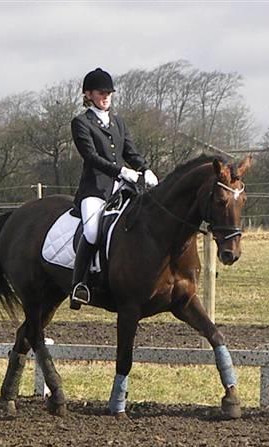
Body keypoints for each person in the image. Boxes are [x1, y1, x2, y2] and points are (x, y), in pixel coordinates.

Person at [69, 67, 158, 309]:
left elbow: (130, 152)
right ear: (88, 94)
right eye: (101, 92)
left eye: (109, 92)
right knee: (92, 231)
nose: (106, 96)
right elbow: (90, 156)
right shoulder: (81, 122)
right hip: (95, 189)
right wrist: (121, 171)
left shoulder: (118, 122)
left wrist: (145, 168)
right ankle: (80, 285)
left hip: (123, 188)